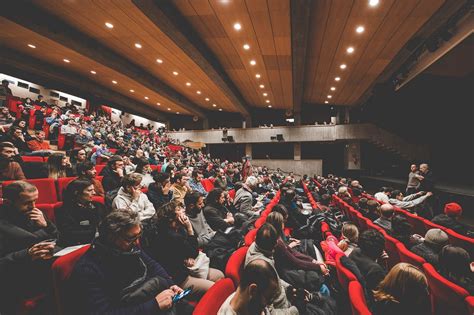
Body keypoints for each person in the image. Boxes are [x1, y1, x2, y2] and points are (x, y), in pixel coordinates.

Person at [70, 209, 193, 314]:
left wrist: (170, 284)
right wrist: (154, 305)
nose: (137, 242)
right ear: (111, 238)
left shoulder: (130, 247)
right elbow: (104, 312)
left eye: (138, 236)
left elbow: (153, 265)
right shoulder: (88, 269)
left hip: (145, 301)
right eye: (131, 238)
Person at [0, 181, 59, 313]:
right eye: (26, 203)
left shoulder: (37, 214)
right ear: (8, 202)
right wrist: (27, 254)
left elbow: (58, 238)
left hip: (44, 269)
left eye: (35, 201)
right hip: (15, 278)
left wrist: (46, 226)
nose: (33, 206)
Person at [147, 200, 224, 299]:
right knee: (214, 288)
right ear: (171, 218)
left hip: (190, 268)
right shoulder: (168, 235)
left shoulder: (179, 228)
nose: (183, 210)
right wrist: (189, 228)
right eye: (179, 210)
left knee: (219, 275)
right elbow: (193, 251)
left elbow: (192, 249)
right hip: (180, 278)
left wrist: (188, 255)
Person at [244, 224, 299, 314]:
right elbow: (269, 311)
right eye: (275, 243)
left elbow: (275, 279)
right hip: (283, 307)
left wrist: (288, 288)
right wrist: (295, 310)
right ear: (272, 246)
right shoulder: (260, 268)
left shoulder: (259, 245)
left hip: (284, 296)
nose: (277, 243)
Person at [56, 179, 106, 246]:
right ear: (76, 192)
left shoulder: (99, 206)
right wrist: (95, 232)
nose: (94, 193)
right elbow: (68, 234)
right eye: (89, 190)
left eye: (93, 190)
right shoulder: (64, 210)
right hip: (78, 245)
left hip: (101, 242)